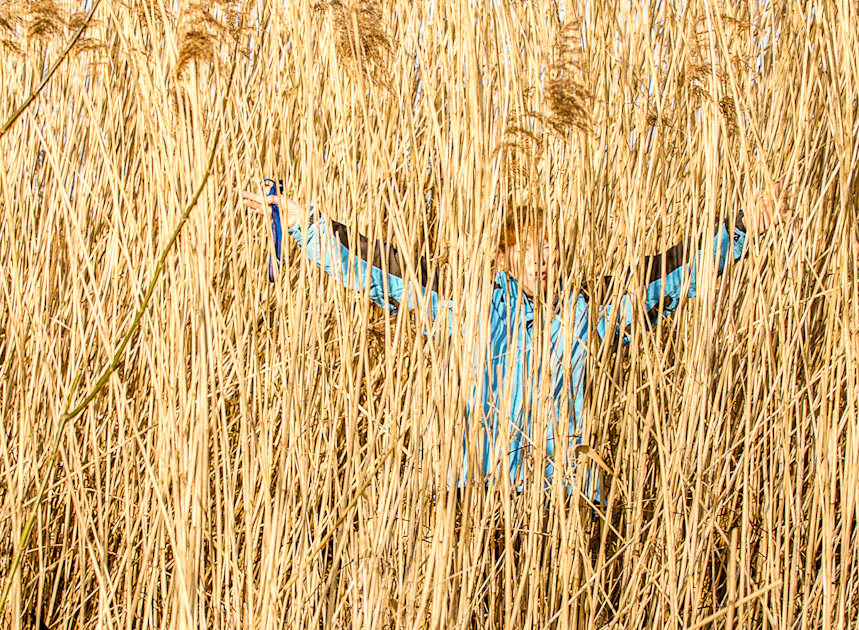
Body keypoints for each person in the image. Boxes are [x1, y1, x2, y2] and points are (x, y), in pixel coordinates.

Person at [239, 178, 782, 494]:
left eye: (550, 247)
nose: (542, 260)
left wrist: (742, 228)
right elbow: (383, 272)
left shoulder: (588, 313)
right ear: (502, 256)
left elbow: (672, 273)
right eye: (526, 247)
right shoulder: (473, 309)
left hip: (561, 503)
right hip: (482, 493)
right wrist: (306, 225)